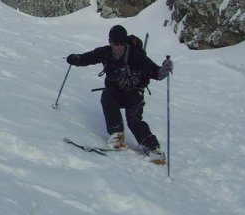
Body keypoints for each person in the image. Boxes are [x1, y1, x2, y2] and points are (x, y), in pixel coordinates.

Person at [66, 25, 173, 164]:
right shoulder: (105, 52)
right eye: (115, 43)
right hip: (115, 92)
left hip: (134, 92)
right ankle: (117, 137)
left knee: (133, 120)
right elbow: (89, 57)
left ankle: (153, 148)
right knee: (107, 95)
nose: (118, 47)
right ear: (110, 42)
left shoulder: (136, 55)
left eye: (121, 43)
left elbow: (156, 72)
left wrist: (164, 70)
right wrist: (76, 59)